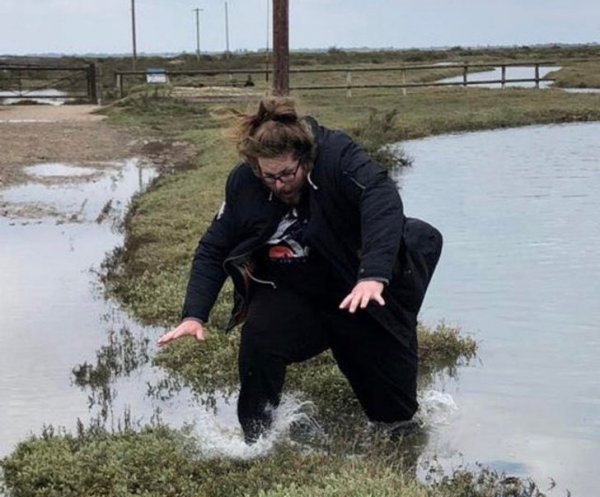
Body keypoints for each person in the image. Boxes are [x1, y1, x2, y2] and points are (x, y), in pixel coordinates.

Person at [158, 97, 442, 443]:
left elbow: (381, 199)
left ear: (304, 160)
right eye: (269, 177)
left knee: (395, 420)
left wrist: (373, 275)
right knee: (259, 340)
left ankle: (383, 365)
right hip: (293, 290)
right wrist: (194, 315)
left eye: (287, 174)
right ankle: (257, 441)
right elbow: (213, 248)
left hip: (356, 288)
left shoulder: (338, 156)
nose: (280, 185)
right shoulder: (244, 185)